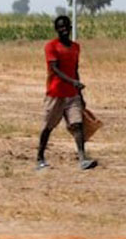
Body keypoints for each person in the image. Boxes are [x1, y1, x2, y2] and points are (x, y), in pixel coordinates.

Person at [37, 15, 97, 170]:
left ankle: (82, 159)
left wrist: (80, 94)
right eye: (60, 27)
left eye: (65, 26)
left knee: (77, 125)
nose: (63, 30)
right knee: (48, 127)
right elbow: (55, 69)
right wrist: (73, 82)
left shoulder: (76, 47)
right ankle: (40, 157)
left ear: (70, 28)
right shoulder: (51, 46)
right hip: (55, 94)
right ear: (56, 29)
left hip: (72, 95)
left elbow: (75, 70)